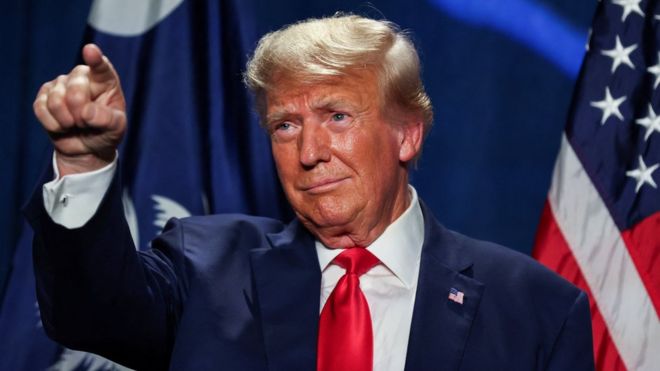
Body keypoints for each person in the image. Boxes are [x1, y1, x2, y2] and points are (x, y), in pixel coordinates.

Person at [27, 14, 594, 371]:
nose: (309, 152)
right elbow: (89, 313)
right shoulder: (204, 269)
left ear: (408, 133)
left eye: (338, 115)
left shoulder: (535, 308)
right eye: (285, 126)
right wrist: (84, 160)